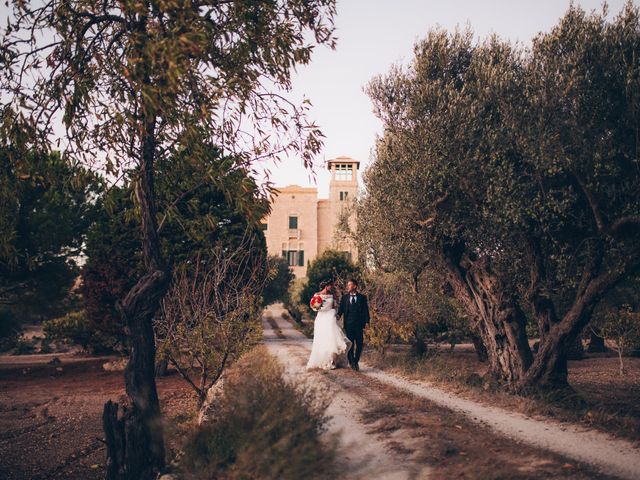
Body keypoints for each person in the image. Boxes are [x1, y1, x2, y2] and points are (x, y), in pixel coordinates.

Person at [306, 279, 350, 370]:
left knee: (331, 338)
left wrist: (337, 314)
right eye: (330, 285)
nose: (332, 287)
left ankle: (332, 361)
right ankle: (322, 360)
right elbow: (313, 306)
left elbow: (334, 306)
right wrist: (316, 307)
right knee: (322, 339)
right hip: (321, 318)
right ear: (326, 286)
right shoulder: (317, 295)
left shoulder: (332, 295)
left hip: (330, 317)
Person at [336, 278, 370, 371]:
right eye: (348, 285)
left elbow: (365, 311)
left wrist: (367, 322)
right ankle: (352, 362)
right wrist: (337, 316)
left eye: (350, 285)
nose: (348, 286)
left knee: (359, 344)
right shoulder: (344, 298)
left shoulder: (362, 298)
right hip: (348, 325)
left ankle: (356, 361)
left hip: (359, 325)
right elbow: (341, 310)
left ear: (355, 286)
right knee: (350, 345)